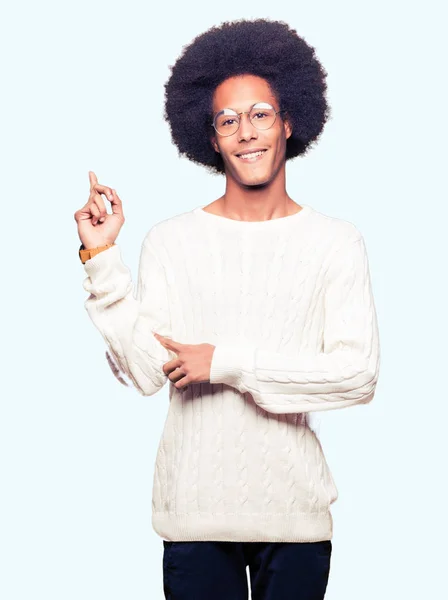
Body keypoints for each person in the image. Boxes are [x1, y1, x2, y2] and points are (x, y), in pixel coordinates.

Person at [74, 18, 381, 600]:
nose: (246, 132)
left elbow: (357, 375)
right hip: (194, 519)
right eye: (228, 119)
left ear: (290, 121)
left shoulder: (336, 242)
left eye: (261, 114)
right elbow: (144, 372)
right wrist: (102, 257)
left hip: (294, 517)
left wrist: (228, 363)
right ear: (210, 137)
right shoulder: (170, 241)